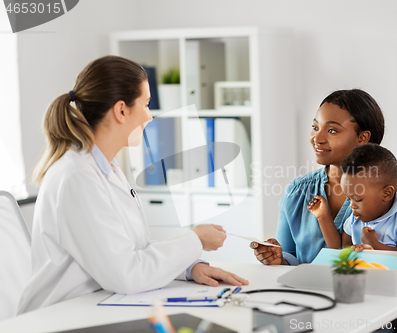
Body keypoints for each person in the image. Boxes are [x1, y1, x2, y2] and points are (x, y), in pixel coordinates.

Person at [18, 56, 248, 314]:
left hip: (94, 305)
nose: (150, 116)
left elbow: (135, 250)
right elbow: (127, 274)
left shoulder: (106, 168)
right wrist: (195, 239)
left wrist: (188, 267)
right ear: (121, 110)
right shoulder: (77, 177)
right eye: (146, 104)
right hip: (59, 316)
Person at [250, 89, 397, 275]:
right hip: (312, 300)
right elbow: (290, 258)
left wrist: (383, 254)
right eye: (315, 127)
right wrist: (278, 260)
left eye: (332, 131)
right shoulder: (297, 191)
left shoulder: (395, 188)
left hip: (380, 304)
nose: (316, 138)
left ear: (362, 138)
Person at [308, 143, 397, 254]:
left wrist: (375, 245)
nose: (352, 205)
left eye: (358, 199)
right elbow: (340, 250)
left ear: (387, 194)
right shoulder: (356, 219)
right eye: (349, 199)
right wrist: (322, 217)